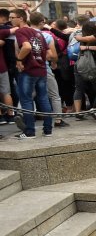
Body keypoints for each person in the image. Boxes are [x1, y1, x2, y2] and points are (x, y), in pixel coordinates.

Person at [9, 9, 53, 139]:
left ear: (21, 18)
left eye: (13, 17)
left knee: (26, 99)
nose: (11, 20)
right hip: (41, 69)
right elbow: (48, 54)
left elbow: (27, 47)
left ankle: (29, 131)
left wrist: (19, 59)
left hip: (28, 70)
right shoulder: (38, 33)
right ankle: (48, 130)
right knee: (44, 99)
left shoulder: (21, 31)